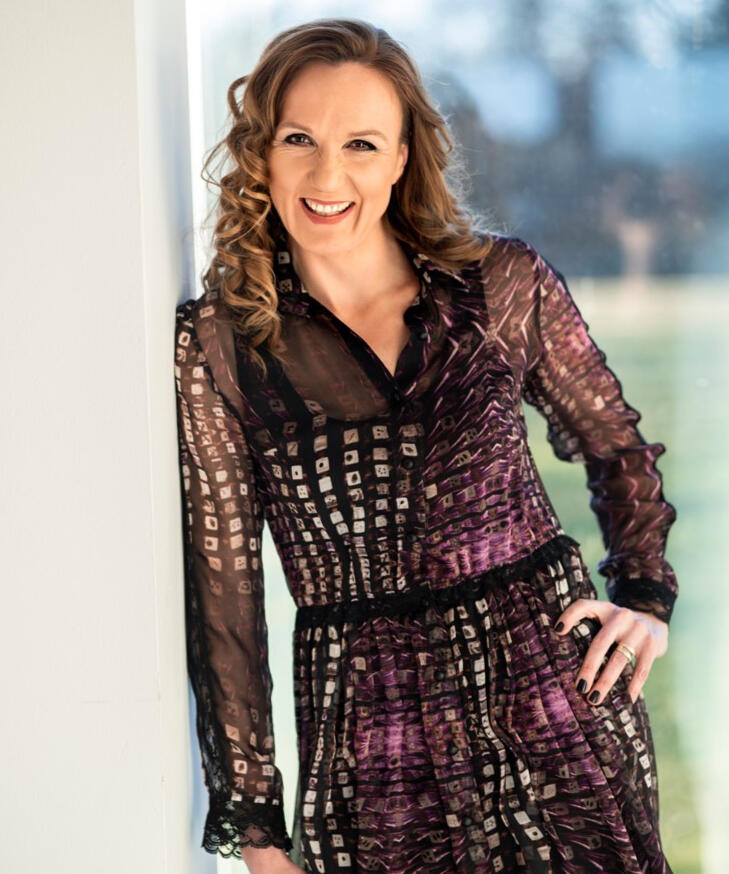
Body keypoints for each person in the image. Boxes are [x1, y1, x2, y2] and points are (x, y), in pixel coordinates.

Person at [173, 17, 678, 874]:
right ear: (261, 152)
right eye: (298, 138)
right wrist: (256, 829)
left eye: (360, 144)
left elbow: (616, 450)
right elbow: (225, 593)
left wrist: (643, 596)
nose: (327, 175)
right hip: (373, 741)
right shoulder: (221, 345)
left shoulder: (499, 285)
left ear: (401, 160)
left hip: (554, 703)